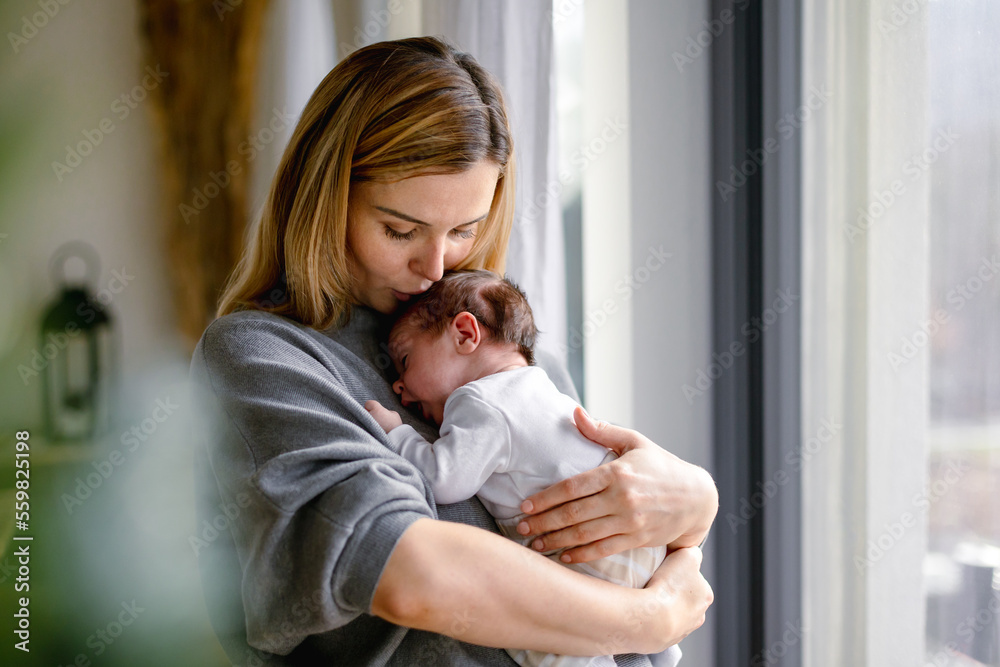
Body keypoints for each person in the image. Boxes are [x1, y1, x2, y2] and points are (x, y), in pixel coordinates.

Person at [190, 36, 716, 667]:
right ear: (325, 196)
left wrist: (692, 507)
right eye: (400, 230)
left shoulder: (514, 359)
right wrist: (649, 620)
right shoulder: (263, 358)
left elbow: (612, 552)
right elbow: (409, 570)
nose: (434, 267)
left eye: (464, 231)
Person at [363, 269, 683, 667]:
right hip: (633, 542)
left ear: (465, 334)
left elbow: (441, 480)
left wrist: (398, 432)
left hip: (584, 553)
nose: (398, 386)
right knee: (642, 633)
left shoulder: (480, 401)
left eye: (406, 361)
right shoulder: (541, 386)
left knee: (540, 635)